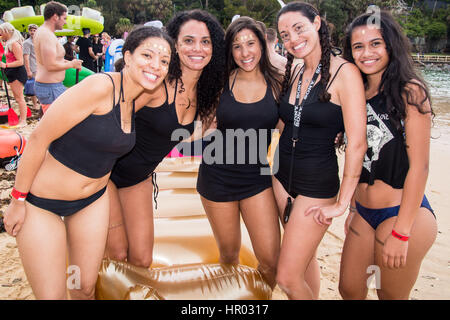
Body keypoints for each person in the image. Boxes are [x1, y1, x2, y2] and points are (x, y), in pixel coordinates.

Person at [2, 26, 173, 300]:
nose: (156, 65)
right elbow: (38, 138)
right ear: (127, 56)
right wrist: (17, 200)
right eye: (148, 55)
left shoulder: (137, 97)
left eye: (164, 61)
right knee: (52, 296)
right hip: (42, 204)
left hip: (90, 202)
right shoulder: (99, 87)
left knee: (83, 288)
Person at [104, 9, 226, 269]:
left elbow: (177, 131)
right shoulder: (155, 82)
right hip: (104, 176)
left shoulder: (207, 92)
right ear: (175, 44)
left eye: (206, 41)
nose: (198, 48)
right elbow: (105, 118)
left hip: (139, 177)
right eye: (189, 40)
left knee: (141, 259)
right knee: (116, 252)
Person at [338, 11, 437, 300]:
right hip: (364, 213)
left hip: (403, 213)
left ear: (390, 46)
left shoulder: (410, 92)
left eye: (375, 44)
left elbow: (420, 168)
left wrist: (402, 233)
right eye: (358, 46)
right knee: (350, 290)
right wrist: (354, 207)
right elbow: (360, 156)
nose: (366, 53)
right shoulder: (355, 92)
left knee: (389, 295)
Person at [273, 1, 367, 299]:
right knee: (305, 260)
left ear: (316, 23)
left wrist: (343, 202)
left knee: (287, 278)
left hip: (316, 185)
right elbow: (283, 123)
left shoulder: (345, 73)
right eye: (284, 35)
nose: (292, 38)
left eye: (298, 28)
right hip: (280, 179)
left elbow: (358, 142)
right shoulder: (296, 70)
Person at [196, 16, 282, 289]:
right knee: (229, 255)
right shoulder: (220, 83)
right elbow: (199, 126)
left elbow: (293, 128)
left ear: (262, 45)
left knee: (270, 261)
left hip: (257, 179)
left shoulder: (278, 84)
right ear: (229, 51)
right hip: (217, 177)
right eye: (237, 46)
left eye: (251, 44)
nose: (245, 53)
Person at [34, 1, 82, 114]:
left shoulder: (44, 33)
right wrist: (71, 64)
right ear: (55, 17)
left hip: (50, 87)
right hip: (50, 87)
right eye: (64, 18)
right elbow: (50, 65)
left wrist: (69, 62)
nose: (65, 22)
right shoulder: (46, 35)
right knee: (56, 125)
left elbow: (53, 59)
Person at [0, 22, 28, 127]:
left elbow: (20, 61)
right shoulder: (9, 43)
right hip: (12, 72)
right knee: (17, 98)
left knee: (20, 98)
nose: (1, 34)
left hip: (17, 72)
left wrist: (5, 65)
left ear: (6, 31)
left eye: (1, 32)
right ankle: (22, 118)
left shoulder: (14, 44)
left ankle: (23, 120)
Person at [23, 24, 39, 110]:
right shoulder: (27, 43)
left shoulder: (38, 41)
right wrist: (28, 70)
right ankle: (35, 104)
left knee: (39, 85)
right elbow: (26, 57)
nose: (32, 32)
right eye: (31, 30)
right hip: (33, 67)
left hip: (40, 67)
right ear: (29, 31)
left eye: (34, 30)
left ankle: (38, 101)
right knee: (33, 86)